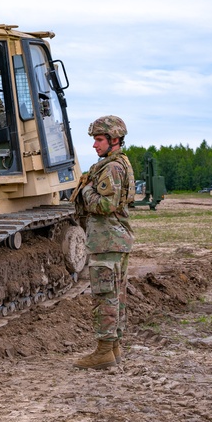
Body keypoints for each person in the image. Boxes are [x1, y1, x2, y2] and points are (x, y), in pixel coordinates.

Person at [74, 115, 136, 370]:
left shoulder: (110, 168)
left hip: (106, 240)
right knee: (116, 295)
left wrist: (86, 188)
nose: (94, 145)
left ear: (114, 140)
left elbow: (104, 205)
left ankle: (103, 352)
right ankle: (114, 348)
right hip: (115, 239)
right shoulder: (120, 164)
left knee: (105, 297)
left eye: (99, 139)